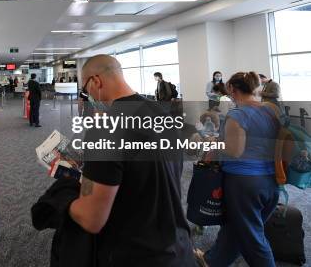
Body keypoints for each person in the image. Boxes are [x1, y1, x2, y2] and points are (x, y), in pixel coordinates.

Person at [68, 55, 196, 266]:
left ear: (96, 82)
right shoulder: (163, 113)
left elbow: (92, 219)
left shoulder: (105, 128)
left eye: (85, 89)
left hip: (136, 253)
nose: (87, 95)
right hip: (177, 246)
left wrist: (63, 201)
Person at [200, 72, 280, 267]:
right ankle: (213, 261)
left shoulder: (237, 114)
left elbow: (235, 151)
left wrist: (213, 143)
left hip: (244, 184)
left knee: (253, 239)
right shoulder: (272, 111)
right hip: (270, 180)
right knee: (237, 226)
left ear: (234, 91)